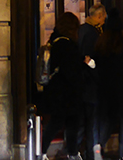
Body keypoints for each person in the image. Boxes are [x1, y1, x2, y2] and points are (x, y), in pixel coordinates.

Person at [40, 12, 94, 160]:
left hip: (58, 91)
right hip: (67, 93)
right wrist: (83, 65)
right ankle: (68, 153)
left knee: (64, 123)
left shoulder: (55, 41)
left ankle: (66, 152)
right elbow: (71, 70)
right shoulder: (67, 44)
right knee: (66, 124)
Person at [95, 8, 123, 160]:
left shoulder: (101, 44)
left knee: (107, 121)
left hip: (106, 88)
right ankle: (122, 155)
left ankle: (98, 148)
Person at [78, 3, 106, 160]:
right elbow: (89, 59)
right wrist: (97, 73)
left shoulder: (82, 30)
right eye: (104, 16)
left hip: (82, 84)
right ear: (99, 16)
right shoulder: (93, 34)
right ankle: (93, 154)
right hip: (91, 85)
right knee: (93, 122)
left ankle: (76, 151)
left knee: (83, 121)